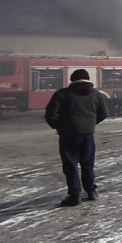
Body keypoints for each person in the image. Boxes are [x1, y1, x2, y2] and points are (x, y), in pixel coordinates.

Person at [45, 69, 108, 206]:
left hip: (68, 136)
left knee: (71, 165)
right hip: (88, 135)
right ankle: (91, 192)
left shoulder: (62, 95)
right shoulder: (96, 94)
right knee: (88, 163)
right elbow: (104, 113)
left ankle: (74, 196)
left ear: (72, 80)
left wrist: (60, 127)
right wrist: (90, 124)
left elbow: (51, 115)